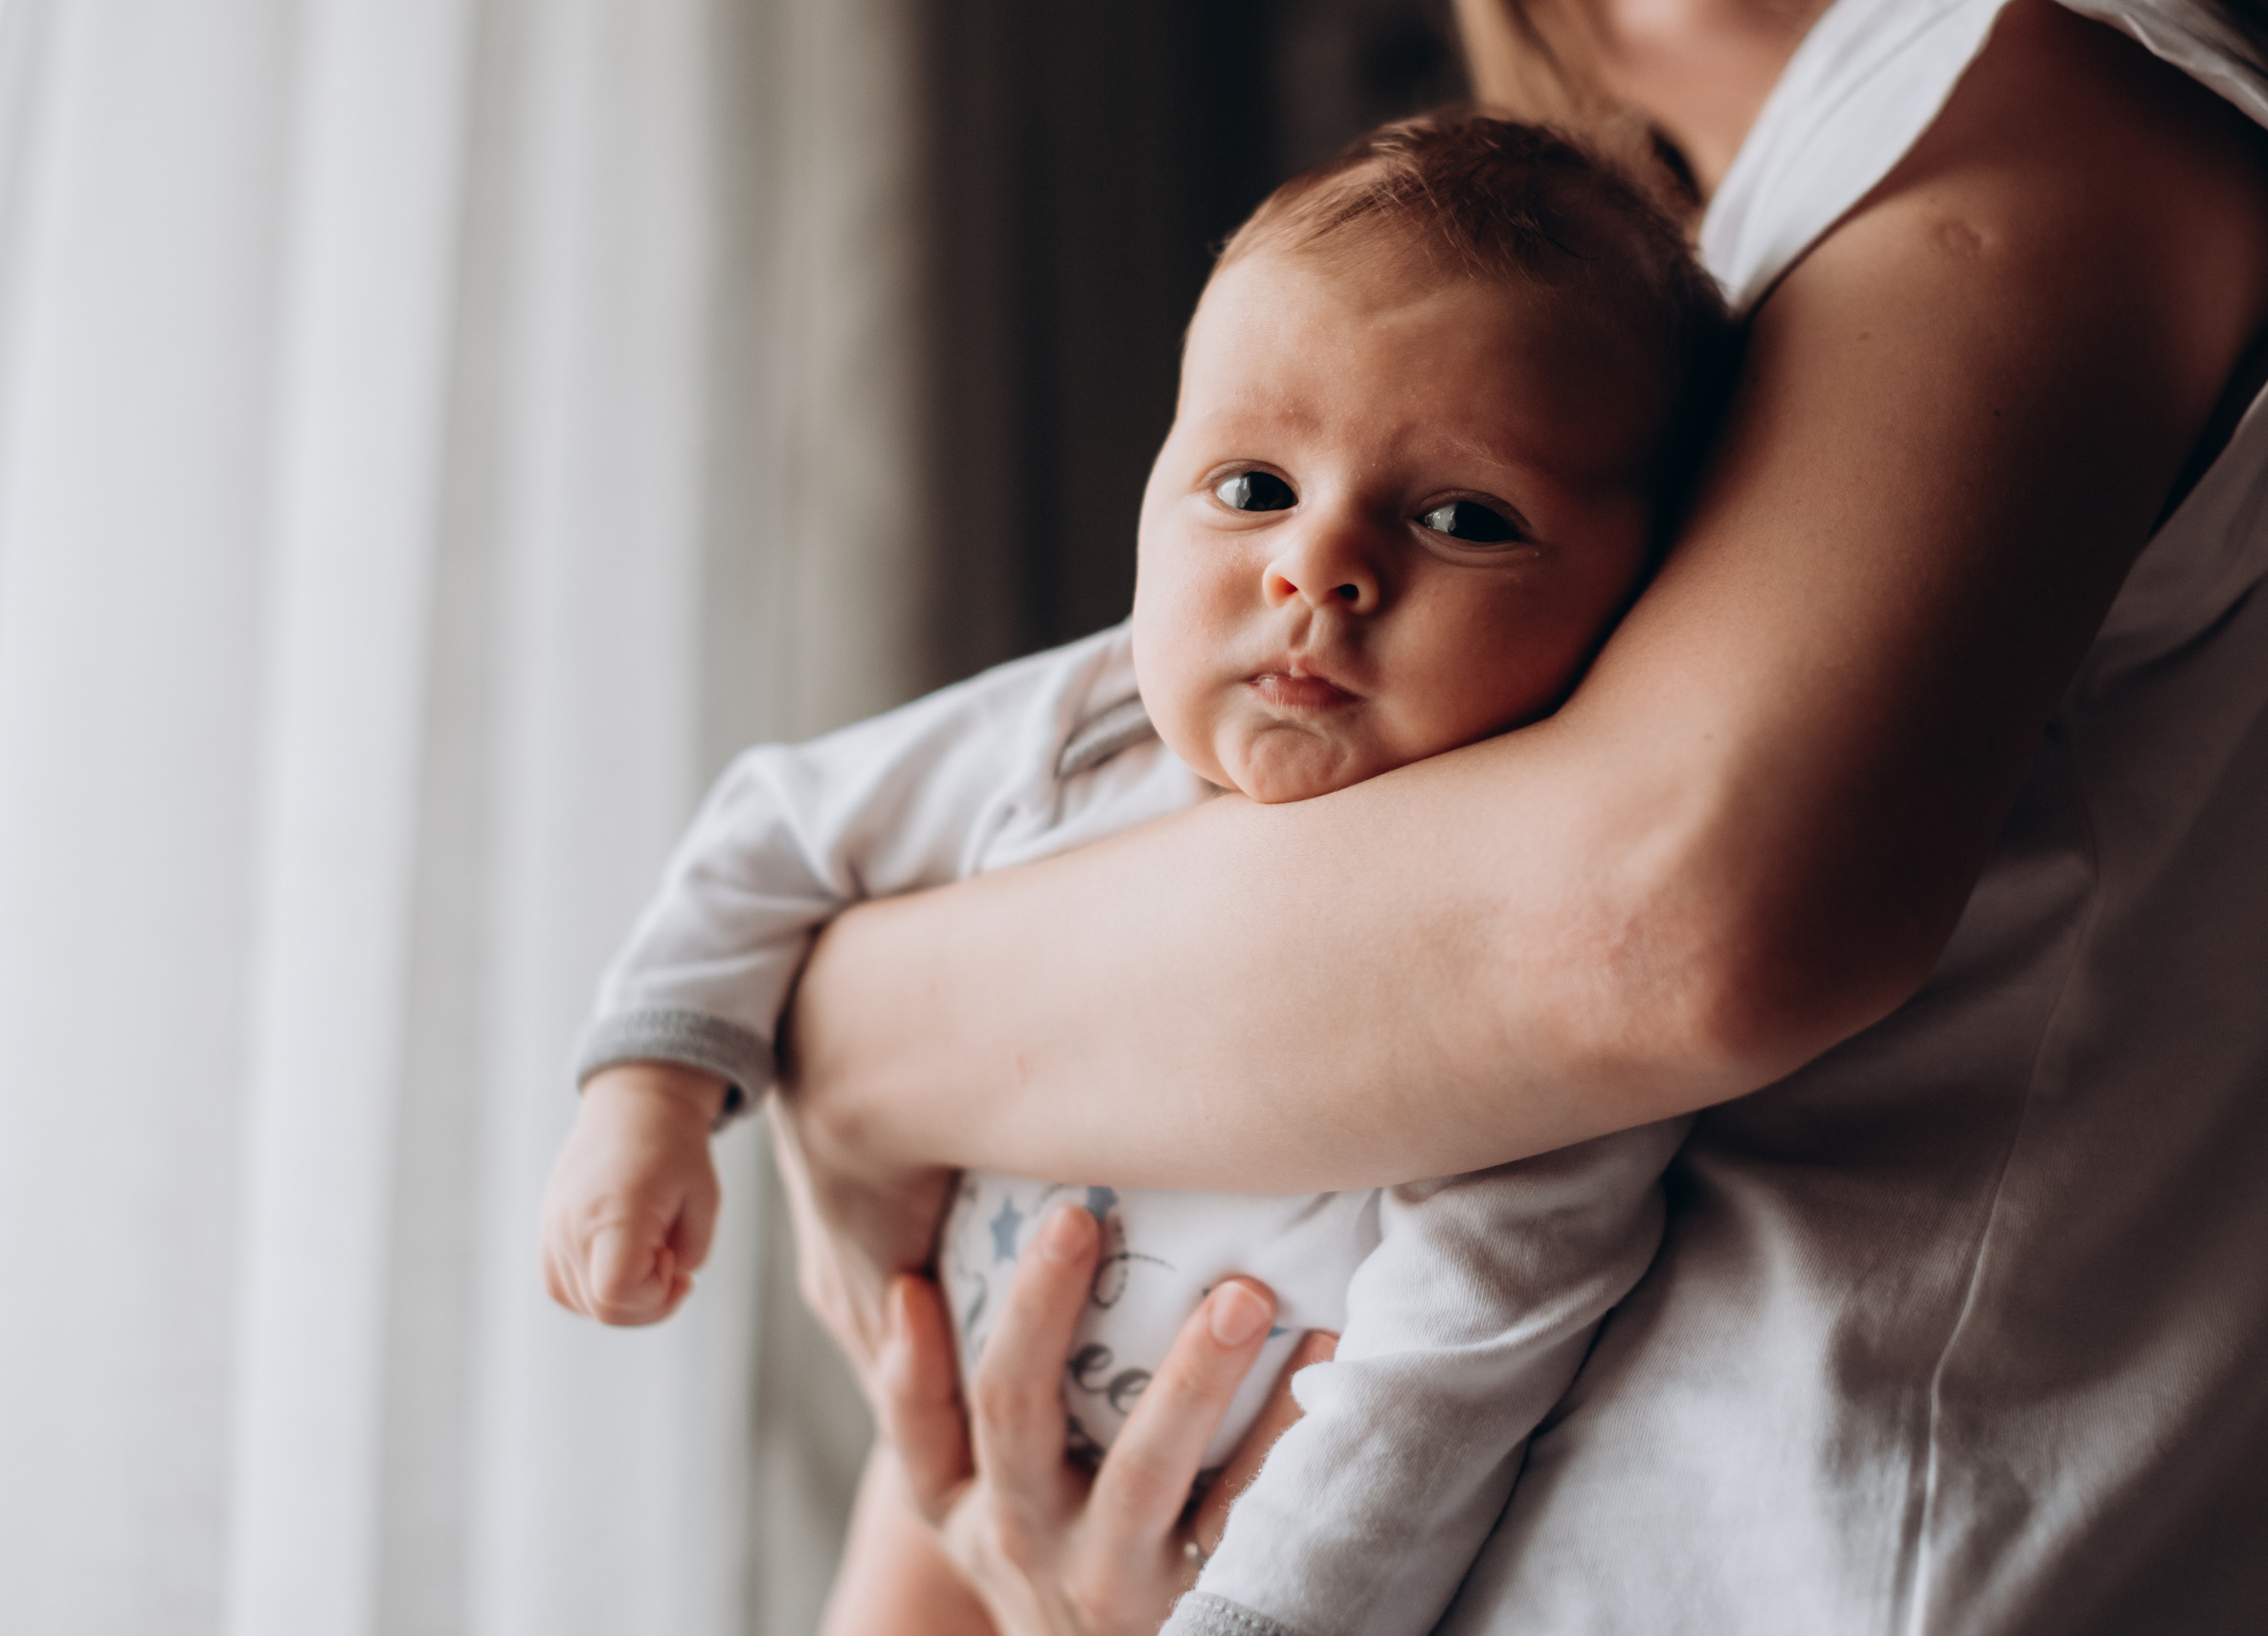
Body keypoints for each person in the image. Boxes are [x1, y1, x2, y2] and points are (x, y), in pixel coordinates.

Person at [732, 0, 2268, 1630]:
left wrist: (841, 1034)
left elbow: (1668, 924)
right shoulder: (1551, 321)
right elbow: (1176, 931)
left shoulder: (2048, 104)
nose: (1319, 564)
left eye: (1460, 518)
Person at [546, 116, 1736, 1635]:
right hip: (957, 1465)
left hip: (1232, 1553)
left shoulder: (1521, 935)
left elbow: (1448, 1375)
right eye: (1251, 487)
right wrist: (646, 1094)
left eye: (1462, 519)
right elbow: (775, 827)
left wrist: (1252, 1609)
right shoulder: (1079, 721)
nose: (1317, 566)